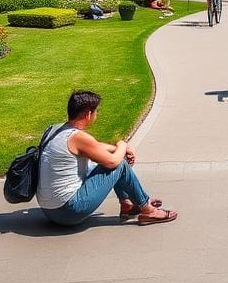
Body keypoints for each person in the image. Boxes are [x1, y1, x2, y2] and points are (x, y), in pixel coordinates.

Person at [36, 90, 177, 226]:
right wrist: (122, 145)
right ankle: (148, 210)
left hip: (49, 210)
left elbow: (95, 147)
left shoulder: (55, 129)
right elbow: (112, 162)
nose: (97, 114)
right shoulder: (78, 137)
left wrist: (118, 149)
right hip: (68, 212)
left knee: (111, 160)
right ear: (88, 114)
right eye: (97, 111)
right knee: (119, 164)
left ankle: (127, 204)